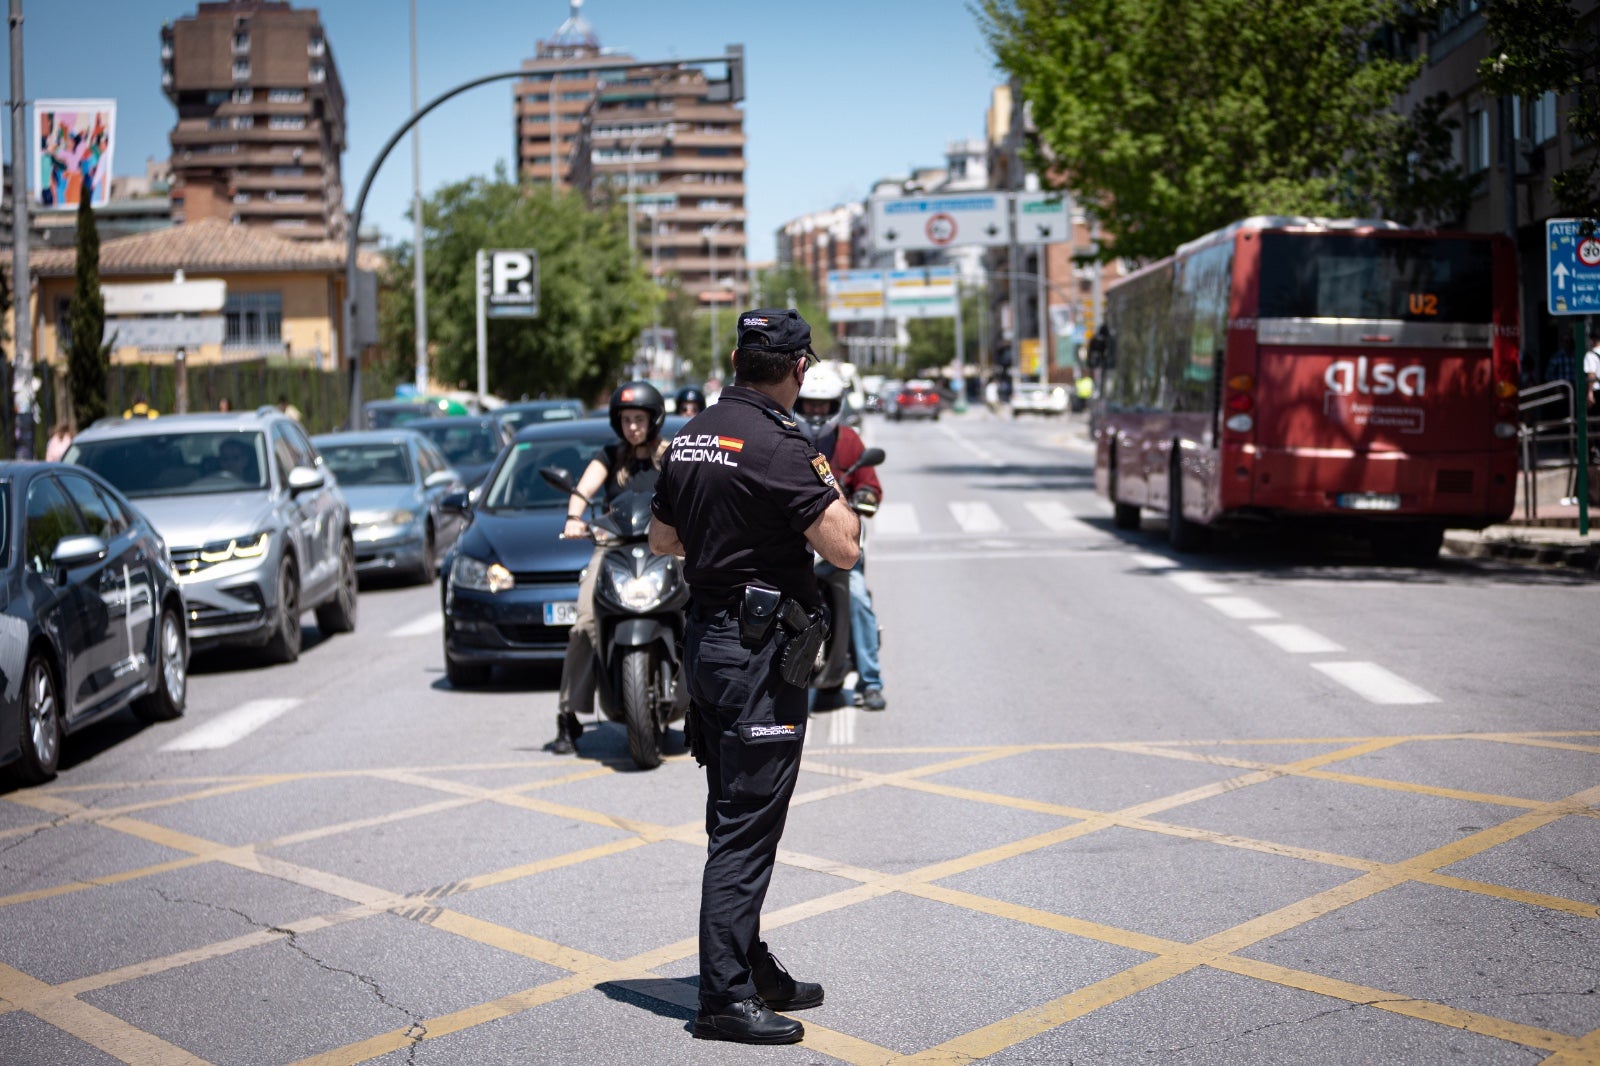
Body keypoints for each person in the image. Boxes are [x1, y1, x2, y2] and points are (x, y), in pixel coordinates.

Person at [649, 307, 860, 1046]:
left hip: (708, 644)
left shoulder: (690, 435)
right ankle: (724, 996)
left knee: (731, 809)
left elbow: (663, 537)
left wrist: (728, 539)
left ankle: (748, 962)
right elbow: (843, 548)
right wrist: (829, 488)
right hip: (758, 655)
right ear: (798, 369)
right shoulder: (780, 443)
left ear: (737, 360)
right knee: (746, 826)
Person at [549, 381, 671, 755]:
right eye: (626, 420)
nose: (633, 427)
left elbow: (695, 487)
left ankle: (710, 701)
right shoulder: (609, 456)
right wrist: (574, 518)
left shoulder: (671, 454)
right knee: (584, 625)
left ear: (654, 420)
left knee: (703, 607)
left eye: (640, 419)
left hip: (665, 547)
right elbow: (583, 491)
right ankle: (568, 716)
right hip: (612, 548)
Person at [794, 363, 886, 711]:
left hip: (840, 545)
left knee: (858, 599)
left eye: (824, 405)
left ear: (835, 405)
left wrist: (866, 496)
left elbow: (870, 484)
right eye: (810, 404)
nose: (817, 412)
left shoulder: (849, 440)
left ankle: (871, 682)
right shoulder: (787, 435)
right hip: (796, 545)